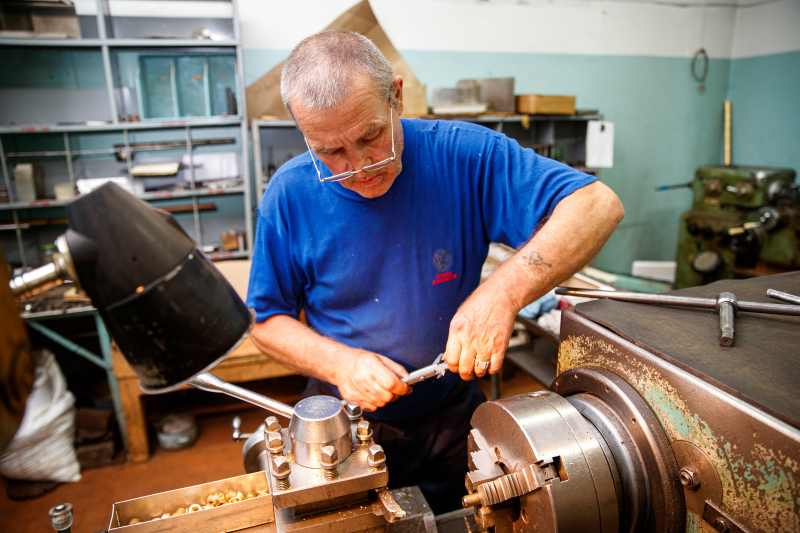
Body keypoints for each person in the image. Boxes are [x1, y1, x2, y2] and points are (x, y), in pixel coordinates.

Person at [246, 29, 624, 513]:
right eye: (329, 152)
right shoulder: (289, 194)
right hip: (342, 426)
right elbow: (265, 321)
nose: (358, 167)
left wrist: (503, 293)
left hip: (450, 415)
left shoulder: (465, 157)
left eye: (370, 136)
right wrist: (340, 365)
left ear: (396, 96)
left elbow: (597, 205)